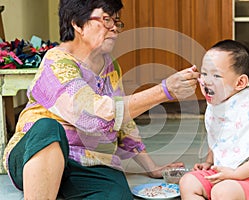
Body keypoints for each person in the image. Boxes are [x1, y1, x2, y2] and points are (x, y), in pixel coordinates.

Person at [2, 0, 200, 199]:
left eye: (116, 21)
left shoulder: (109, 65)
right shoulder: (57, 62)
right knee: (49, 128)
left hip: (85, 161)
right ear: (77, 24)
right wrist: (164, 91)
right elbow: (91, 115)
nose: (114, 28)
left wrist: (152, 167)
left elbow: (122, 121)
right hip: (34, 155)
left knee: (119, 194)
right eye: (106, 20)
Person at [179, 40, 249, 200]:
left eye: (216, 75)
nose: (207, 81)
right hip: (223, 170)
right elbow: (219, 137)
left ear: (240, 82)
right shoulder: (217, 104)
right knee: (187, 182)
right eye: (204, 73)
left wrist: (237, 173)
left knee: (222, 192)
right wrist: (209, 162)